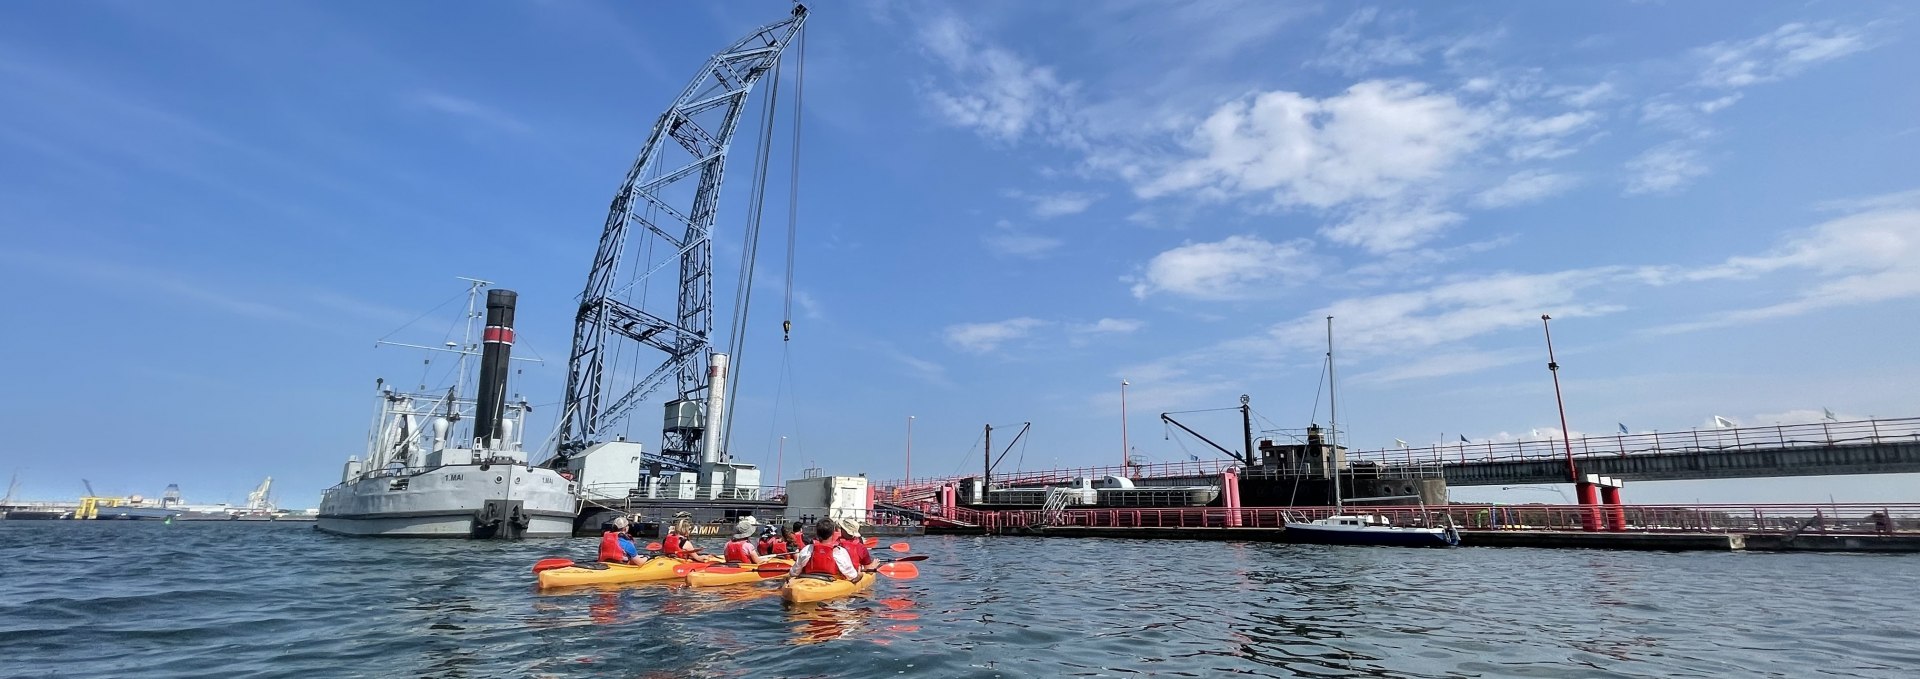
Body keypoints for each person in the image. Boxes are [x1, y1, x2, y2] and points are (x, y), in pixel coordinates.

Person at [789, 519, 861, 582]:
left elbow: (794, 573)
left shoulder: (807, 549)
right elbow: (852, 576)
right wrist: (859, 575)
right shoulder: (839, 551)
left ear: (817, 533)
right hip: (830, 581)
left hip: (808, 579)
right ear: (833, 533)